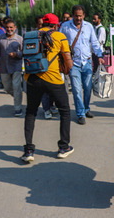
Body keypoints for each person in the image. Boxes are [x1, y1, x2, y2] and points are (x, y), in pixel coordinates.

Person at [21, 13, 74, 162]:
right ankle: (63, 147)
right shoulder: (59, 36)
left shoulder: (30, 35)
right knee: (64, 111)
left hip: (32, 78)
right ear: (56, 25)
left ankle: (29, 151)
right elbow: (68, 62)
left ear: (42, 23)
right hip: (53, 79)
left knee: (31, 112)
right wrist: (66, 69)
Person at [60, 5, 104, 125]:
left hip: (87, 62)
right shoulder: (65, 27)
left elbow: (94, 43)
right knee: (76, 89)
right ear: (72, 15)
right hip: (73, 63)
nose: (78, 18)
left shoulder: (88, 26)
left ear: (83, 15)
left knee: (88, 88)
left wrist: (99, 56)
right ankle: (80, 114)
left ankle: (86, 108)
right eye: (76, 16)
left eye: (80, 16)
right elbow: (60, 43)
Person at [0, 19, 23, 116]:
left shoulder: (19, 39)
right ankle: (17, 97)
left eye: (11, 27)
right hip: (3, 67)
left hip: (16, 66)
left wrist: (17, 54)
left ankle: (18, 108)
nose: (9, 29)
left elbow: (24, 53)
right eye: (7, 27)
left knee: (16, 86)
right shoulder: (0, 38)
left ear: (15, 27)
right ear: (5, 27)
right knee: (7, 88)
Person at [34, 15, 58, 119]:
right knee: (45, 91)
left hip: (47, 67)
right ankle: (46, 109)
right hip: (44, 67)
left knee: (50, 90)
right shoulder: (35, 36)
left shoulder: (51, 36)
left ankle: (50, 106)